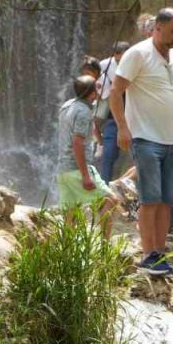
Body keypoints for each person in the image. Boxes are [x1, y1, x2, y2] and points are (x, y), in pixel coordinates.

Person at [110, 8, 173, 277]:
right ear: (157, 28)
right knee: (150, 199)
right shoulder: (137, 54)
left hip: (170, 139)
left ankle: (159, 254)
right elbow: (115, 92)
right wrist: (122, 128)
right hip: (144, 138)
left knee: (167, 199)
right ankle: (148, 256)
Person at [57, 75, 118, 238]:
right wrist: (85, 176)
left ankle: (67, 255)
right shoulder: (84, 112)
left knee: (70, 213)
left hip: (63, 170)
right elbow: (77, 143)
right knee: (110, 200)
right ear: (91, 93)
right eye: (96, 89)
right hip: (77, 169)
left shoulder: (66, 106)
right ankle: (103, 249)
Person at [97, 41, 131, 182]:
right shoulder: (105, 65)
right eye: (116, 59)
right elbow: (103, 92)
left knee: (139, 154)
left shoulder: (136, 63)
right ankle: (104, 192)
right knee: (108, 155)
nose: (118, 62)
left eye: (121, 59)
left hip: (134, 117)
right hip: (113, 118)